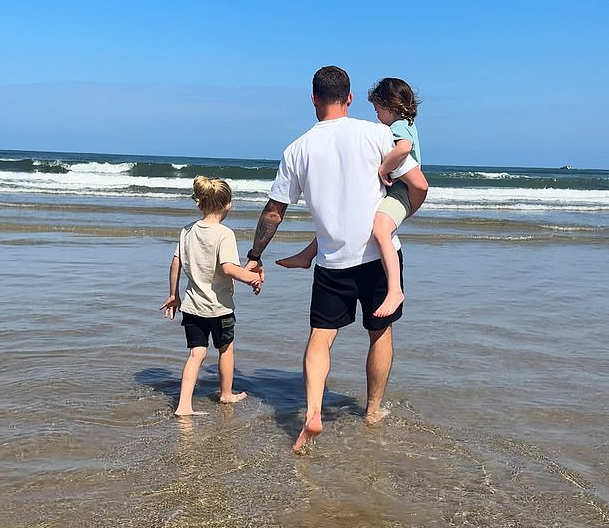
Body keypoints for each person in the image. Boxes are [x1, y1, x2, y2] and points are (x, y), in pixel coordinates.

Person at [244, 66, 428, 452]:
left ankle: (313, 411)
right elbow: (418, 183)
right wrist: (399, 217)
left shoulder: (297, 149)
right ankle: (373, 411)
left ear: (313, 99)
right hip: (379, 257)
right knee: (379, 334)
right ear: (349, 99)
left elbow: (274, 211)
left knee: (320, 340)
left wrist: (255, 255)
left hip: (331, 262)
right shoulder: (377, 133)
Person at [276, 76, 423, 318]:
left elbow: (407, 154)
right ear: (349, 98)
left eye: (377, 109)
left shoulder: (396, 128)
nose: (376, 115)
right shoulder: (387, 128)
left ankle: (395, 290)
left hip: (401, 188)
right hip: (398, 189)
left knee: (380, 231)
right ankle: (307, 255)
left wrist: (384, 169)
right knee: (347, 220)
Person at [161, 175, 261, 416]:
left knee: (196, 353)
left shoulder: (186, 231)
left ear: (200, 203)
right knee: (225, 348)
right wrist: (252, 277)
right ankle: (226, 394)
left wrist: (173, 295)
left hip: (192, 306)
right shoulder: (224, 234)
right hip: (220, 307)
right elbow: (228, 268)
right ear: (228, 204)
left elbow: (176, 263)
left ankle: (184, 405)